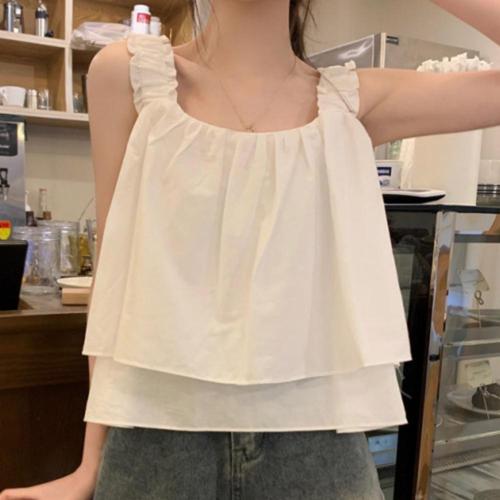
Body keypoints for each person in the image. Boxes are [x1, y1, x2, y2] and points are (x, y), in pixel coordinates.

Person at [1, 0, 499, 498]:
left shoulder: (350, 100)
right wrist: (91, 463)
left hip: (320, 448)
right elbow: (115, 276)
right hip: (154, 444)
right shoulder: (130, 73)